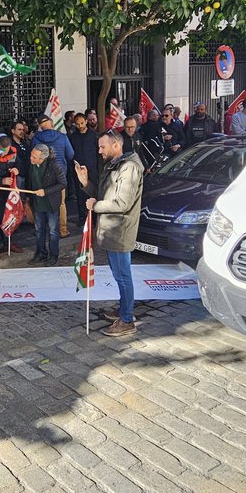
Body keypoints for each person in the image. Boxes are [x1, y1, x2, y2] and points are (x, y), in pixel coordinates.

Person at [75, 129, 145, 337]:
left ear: (116, 145)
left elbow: (122, 203)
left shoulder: (129, 167)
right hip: (112, 230)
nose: (99, 151)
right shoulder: (115, 164)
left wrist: (95, 206)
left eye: (102, 146)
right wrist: (85, 182)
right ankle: (124, 309)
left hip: (120, 230)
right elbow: (102, 194)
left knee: (123, 276)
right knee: (119, 275)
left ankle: (127, 320)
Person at [0, 138, 23, 259]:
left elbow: (20, 165)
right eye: (1, 151)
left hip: (6, 192)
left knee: (6, 217)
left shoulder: (14, 152)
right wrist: (1, 181)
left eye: (6, 152)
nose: (3, 154)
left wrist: (17, 170)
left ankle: (8, 243)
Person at [26, 145, 63, 265]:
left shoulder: (54, 166)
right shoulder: (32, 165)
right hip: (37, 203)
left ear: (42, 159)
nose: (31, 158)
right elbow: (29, 180)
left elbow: (62, 183)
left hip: (51, 204)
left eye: (34, 157)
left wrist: (45, 191)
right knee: (39, 229)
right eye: (31, 155)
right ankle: (41, 253)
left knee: (53, 231)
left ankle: (54, 255)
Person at [69, 109, 100, 214]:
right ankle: (82, 216)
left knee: (92, 193)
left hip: (92, 170)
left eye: (82, 123)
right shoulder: (73, 137)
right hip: (78, 171)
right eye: (77, 124)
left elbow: (98, 154)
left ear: (86, 121)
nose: (80, 126)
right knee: (80, 194)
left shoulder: (94, 136)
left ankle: (93, 217)